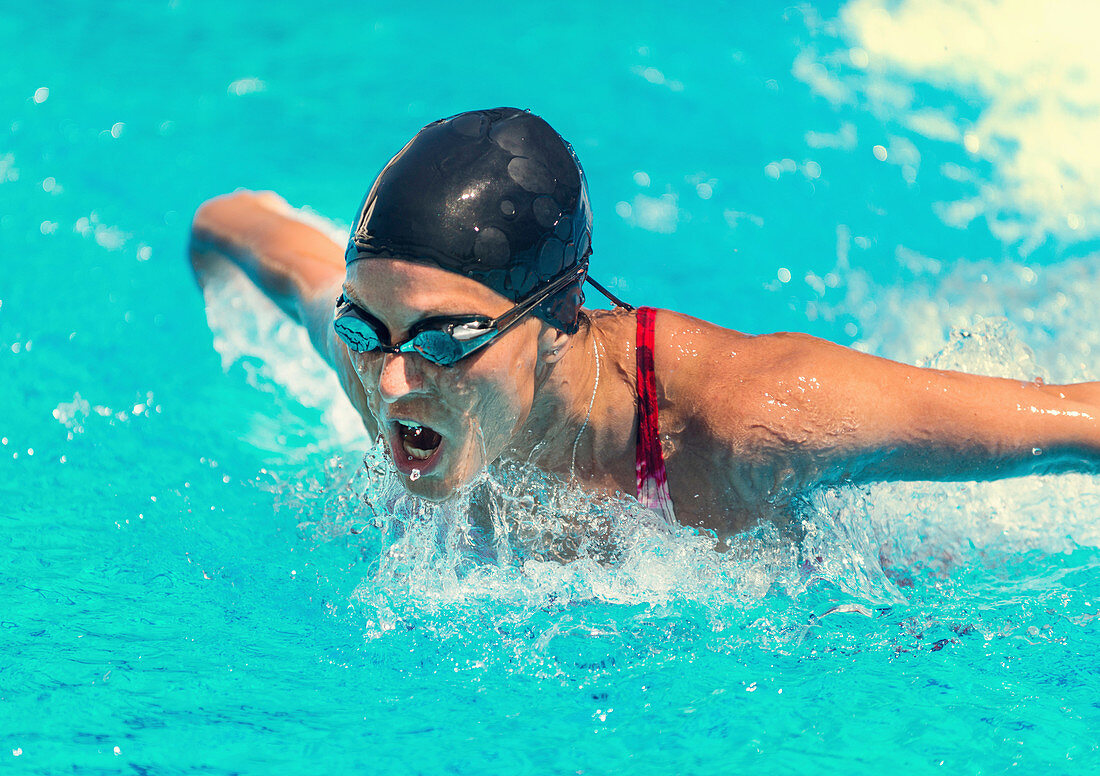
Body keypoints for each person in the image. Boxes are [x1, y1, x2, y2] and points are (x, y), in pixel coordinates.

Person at [189, 107, 1100, 534]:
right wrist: (209, 255)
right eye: (367, 329)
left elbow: (1070, 420)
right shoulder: (383, 367)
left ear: (559, 318)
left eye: (445, 338)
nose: (393, 382)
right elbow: (240, 226)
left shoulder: (750, 423)